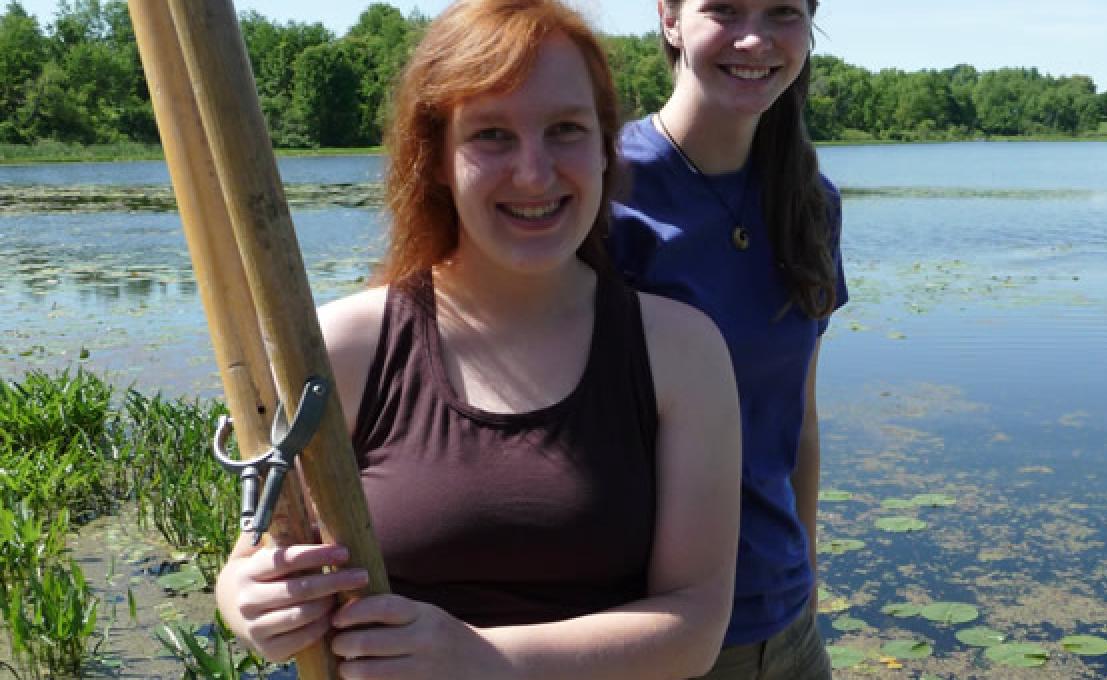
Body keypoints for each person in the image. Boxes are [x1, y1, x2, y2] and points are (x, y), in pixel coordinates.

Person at [214, 1, 742, 678]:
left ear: (605, 148)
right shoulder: (340, 347)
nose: (533, 172)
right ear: (435, 157)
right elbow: (252, 554)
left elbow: (695, 625)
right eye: (492, 135)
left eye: (565, 130)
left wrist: (488, 659)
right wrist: (245, 600)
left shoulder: (681, 353)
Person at [607, 1, 847, 677]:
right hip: (656, 638)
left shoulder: (810, 202)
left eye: (781, 12)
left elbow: (796, 419)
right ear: (670, 18)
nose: (754, 39)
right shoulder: (601, 194)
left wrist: (806, 575)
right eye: (725, 9)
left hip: (790, 629)